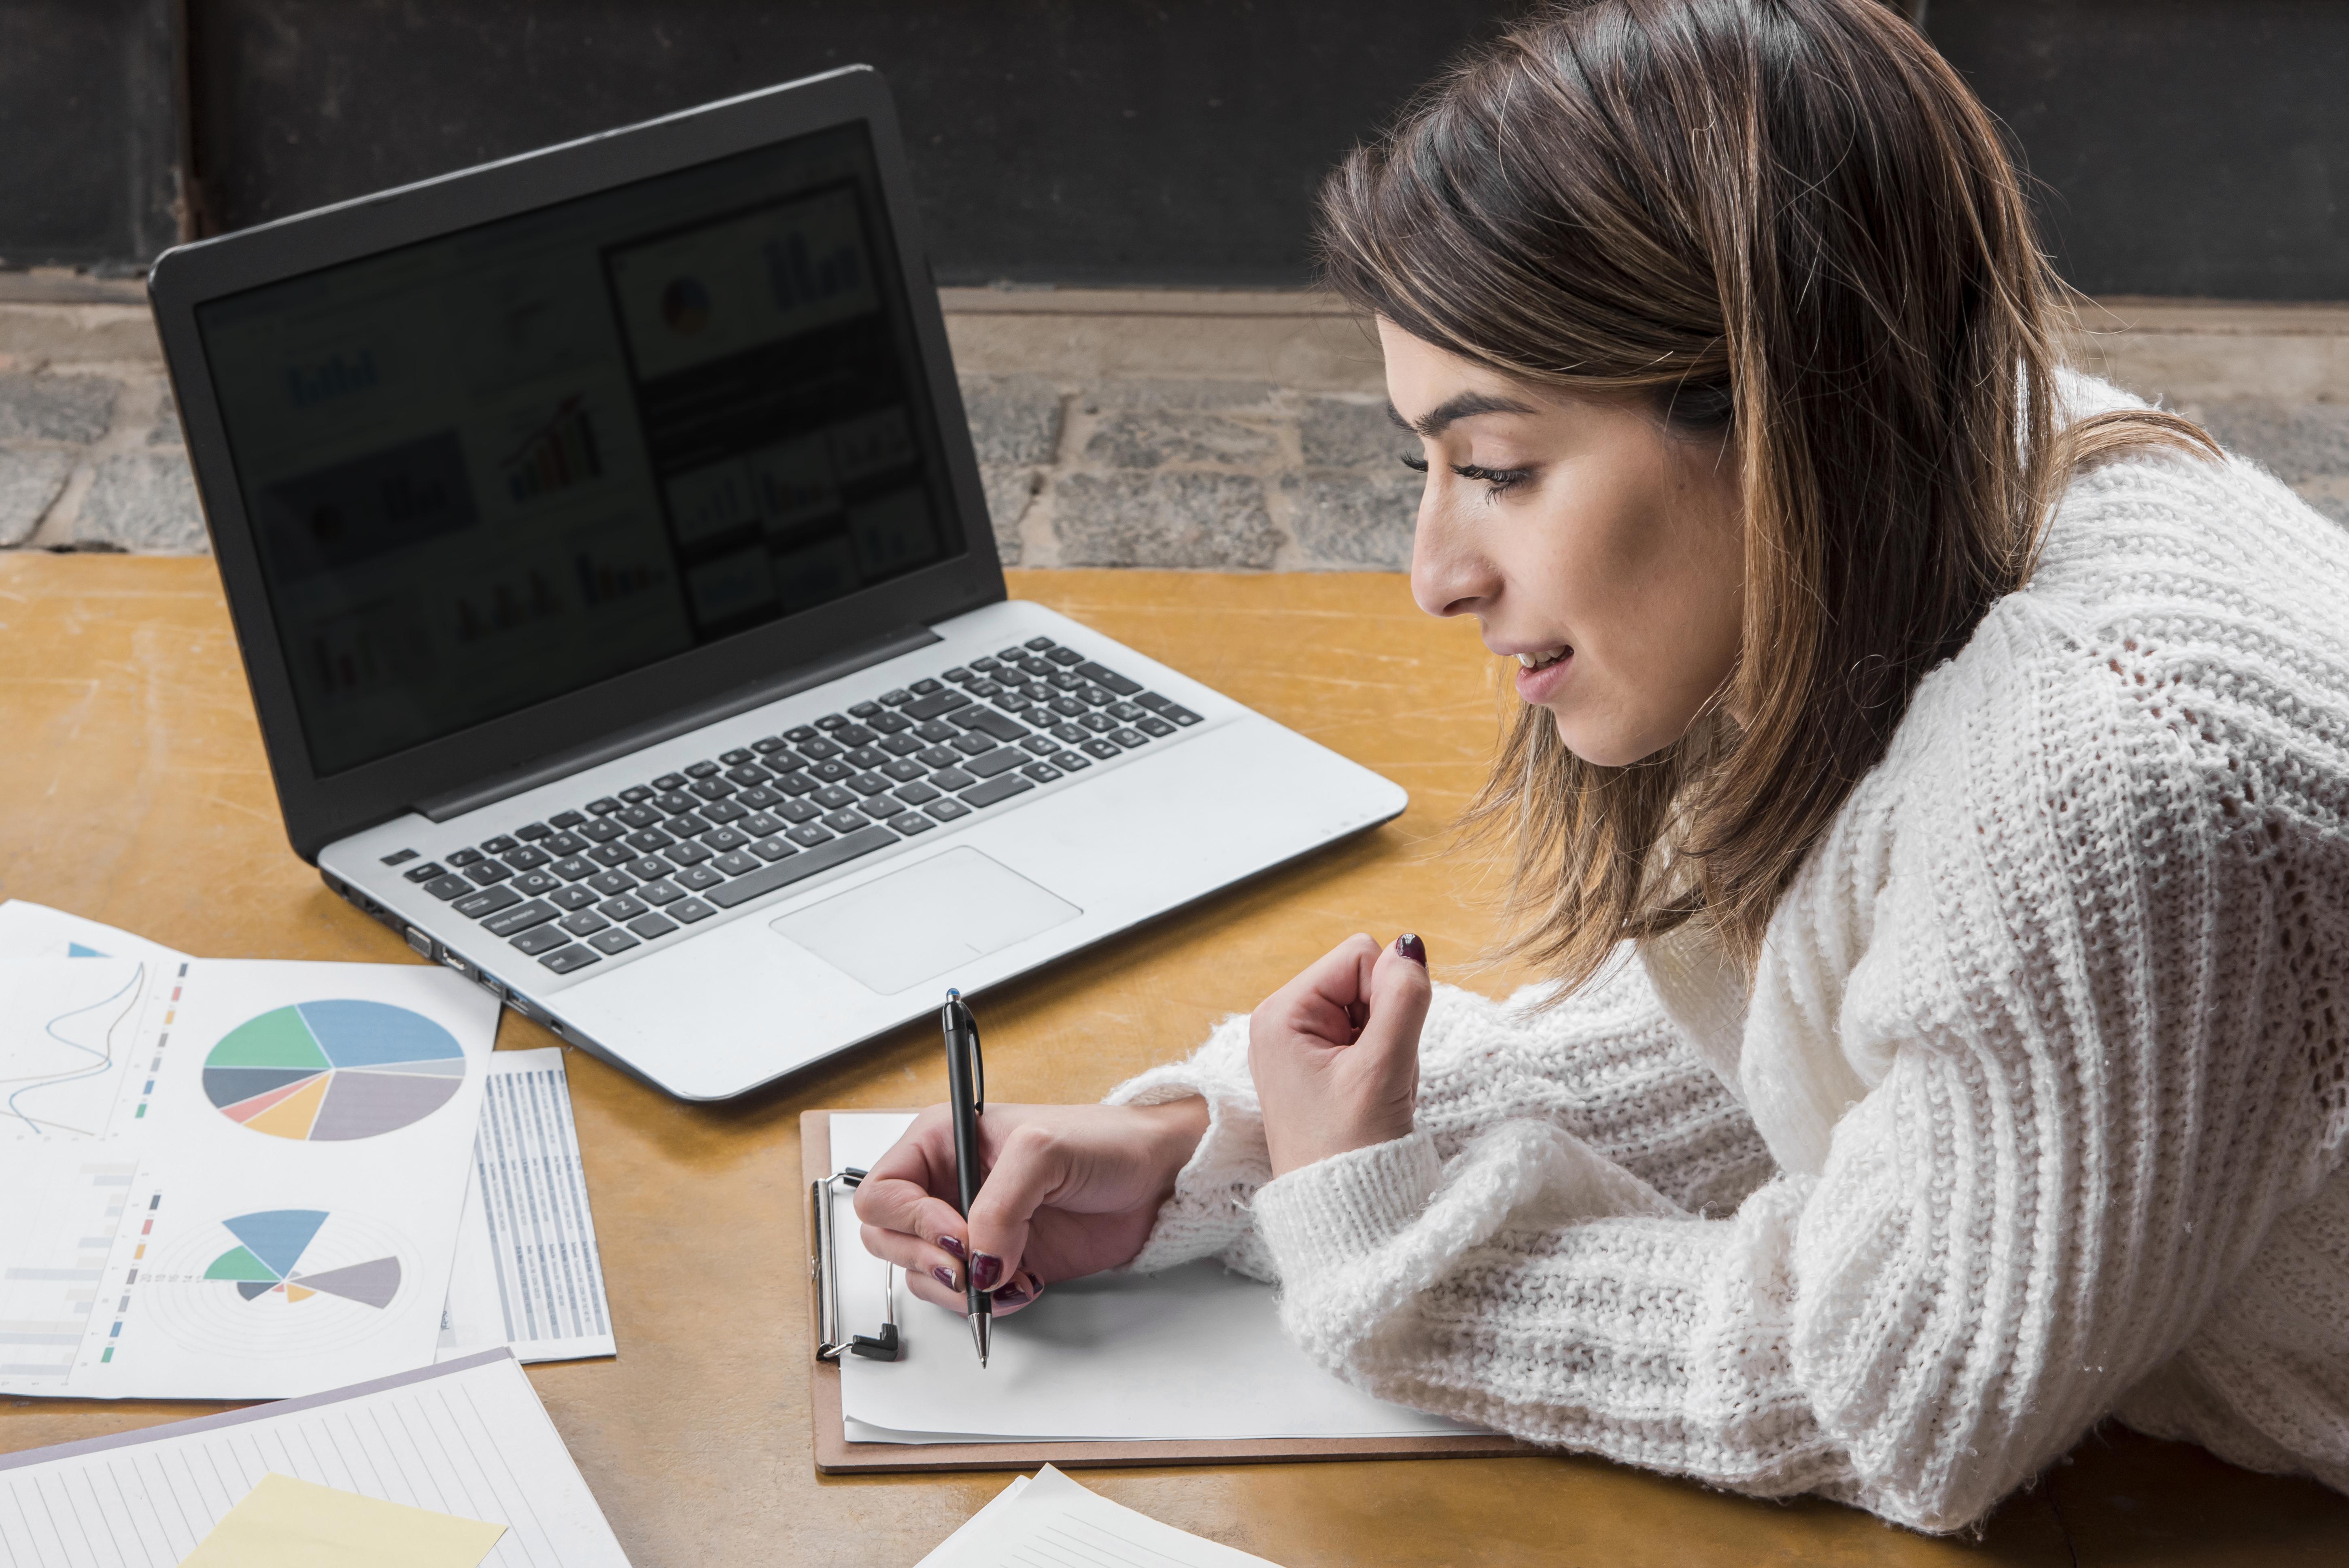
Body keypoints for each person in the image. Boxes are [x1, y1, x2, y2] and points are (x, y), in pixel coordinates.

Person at [856, 0, 2349, 1531]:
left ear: (1780, 413)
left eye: (1498, 469)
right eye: (1421, 464)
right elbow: (1825, 1053)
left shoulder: (2112, 777)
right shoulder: (1979, 459)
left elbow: (1887, 1397)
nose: (1433, 571)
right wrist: (1211, 1146)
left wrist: (1383, 1240)